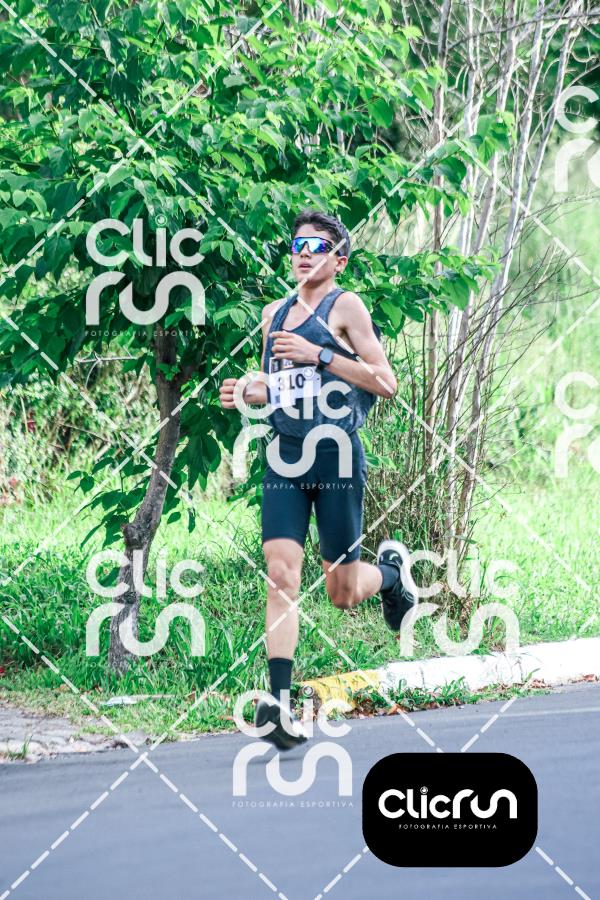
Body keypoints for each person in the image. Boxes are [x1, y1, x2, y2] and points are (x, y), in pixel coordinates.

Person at [219, 210, 417, 750]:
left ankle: (392, 576)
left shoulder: (346, 307)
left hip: (336, 457)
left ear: (339, 260)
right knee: (280, 574)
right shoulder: (274, 314)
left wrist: (322, 354)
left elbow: (386, 383)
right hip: (285, 457)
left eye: (317, 247)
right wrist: (248, 391)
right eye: (297, 246)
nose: (304, 255)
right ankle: (280, 707)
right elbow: (278, 386)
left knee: (342, 592)